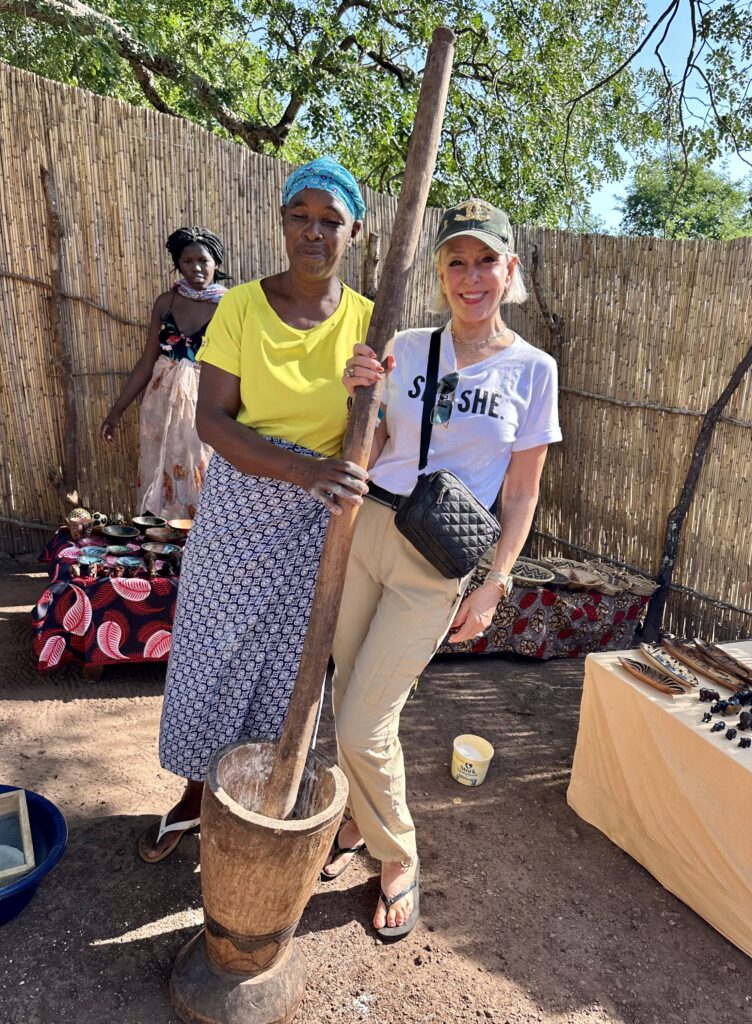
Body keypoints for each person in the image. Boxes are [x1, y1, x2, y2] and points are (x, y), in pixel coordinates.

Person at [322, 199, 562, 940]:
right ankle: (360, 822)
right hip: (368, 532)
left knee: (365, 719)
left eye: (485, 260)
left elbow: (521, 491)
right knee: (348, 697)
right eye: (456, 261)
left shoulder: (533, 370)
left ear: (510, 271)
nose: (471, 276)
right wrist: (356, 389)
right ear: (439, 273)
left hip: (437, 560)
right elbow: (372, 437)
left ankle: (399, 860)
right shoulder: (406, 346)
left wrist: (496, 582)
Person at [138, 157, 373, 863]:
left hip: (319, 522)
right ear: (280, 221)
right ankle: (192, 791)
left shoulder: (368, 321)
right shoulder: (240, 307)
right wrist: (302, 470)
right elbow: (214, 421)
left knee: (283, 667)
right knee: (210, 651)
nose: (314, 231)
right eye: (301, 216)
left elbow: (376, 435)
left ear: (354, 232)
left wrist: (376, 404)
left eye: (330, 220)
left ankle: (249, 801)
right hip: (243, 500)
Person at [100, 227, 228, 519]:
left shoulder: (229, 305)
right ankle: (160, 551)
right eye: (187, 261)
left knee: (202, 471)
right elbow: (147, 361)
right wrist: (116, 412)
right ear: (178, 264)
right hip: (160, 401)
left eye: (203, 260)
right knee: (158, 468)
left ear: (216, 263)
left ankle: (199, 548)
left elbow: (240, 366)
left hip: (205, 400)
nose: (196, 267)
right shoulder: (165, 303)